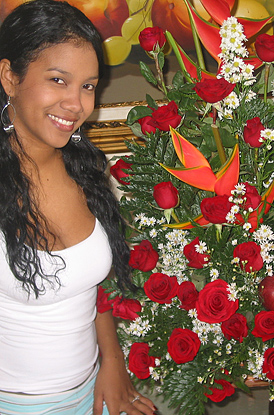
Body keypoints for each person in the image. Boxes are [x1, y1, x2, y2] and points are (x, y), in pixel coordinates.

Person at [0, 1, 156, 414]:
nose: (76, 104)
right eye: (58, 80)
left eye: (87, 85)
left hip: (91, 391)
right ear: (9, 77)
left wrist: (113, 361)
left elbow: (88, 286)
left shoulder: (83, 166)